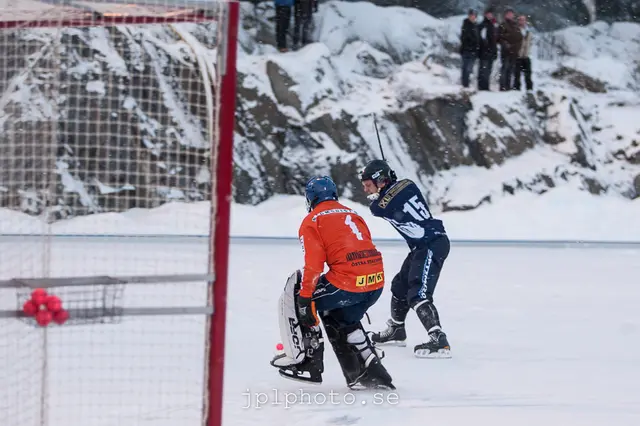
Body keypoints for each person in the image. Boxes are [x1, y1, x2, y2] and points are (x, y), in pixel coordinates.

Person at [271, 176, 394, 389]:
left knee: (295, 296)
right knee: (338, 314)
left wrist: (305, 298)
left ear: (310, 198)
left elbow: (314, 266)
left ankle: (304, 360)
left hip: (349, 284)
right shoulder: (353, 214)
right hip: (375, 282)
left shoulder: (312, 220)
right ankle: (369, 369)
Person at [359, 160, 451, 358]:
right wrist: (387, 186)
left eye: (368, 185)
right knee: (400, 286)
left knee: (418, 293)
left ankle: (439, 339)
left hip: (432, 244)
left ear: (381, 181)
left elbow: (378, 206)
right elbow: (397, 192)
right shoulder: (409, 184)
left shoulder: (378, 207)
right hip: (423, 245)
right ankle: (397, 329)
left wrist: (384, 191)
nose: (366, 190)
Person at [496, 8, 523, 91]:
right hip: (506, 52)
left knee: (511, 70)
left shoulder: (516, 26)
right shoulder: (503, 25)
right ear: (505, 15)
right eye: (508, 14)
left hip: (514, 52)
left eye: (511, 14)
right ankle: (502, 86)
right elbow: (499, 38)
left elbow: (520, 38)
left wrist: (516, 47)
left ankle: (508, 86)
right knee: (504, 68)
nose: (510, 15)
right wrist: (506, 45)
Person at [459, 9, 480, 89]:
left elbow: (477, 38)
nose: (472, 17)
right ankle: (465, 84)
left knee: (469, 68)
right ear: (469, 16)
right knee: (466, 68)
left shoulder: (476, 25)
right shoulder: (466, 24)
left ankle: (466, 83)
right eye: (471, 15)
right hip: (466, 49)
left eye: (474, 16)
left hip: (473, 50)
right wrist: (472, 41)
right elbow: (464, 37)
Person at [478, 8, 498, 91]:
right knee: (484, 70)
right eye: (488, 14)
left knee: (489, 70)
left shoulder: (494, 25)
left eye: (491, 14)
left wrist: (495, 51)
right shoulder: (483, 24)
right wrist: (483, 48)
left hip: (492, 51)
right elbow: (481, 38)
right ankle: (483, 87)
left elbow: (495, 39)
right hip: (484, 52)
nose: (490, 15)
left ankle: (485, 86)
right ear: (485, 15)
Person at [514, 14, 533, 91]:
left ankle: (529, 89)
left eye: (523, 19)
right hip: (518, 56)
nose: (522, 21)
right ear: (518, 21)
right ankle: (516, 89)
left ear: (525, 21)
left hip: (526, 56)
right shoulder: (515, 30)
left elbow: (530, 43)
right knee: (517, 75)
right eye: (520, 19)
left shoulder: (528, 31)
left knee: (528, 74)